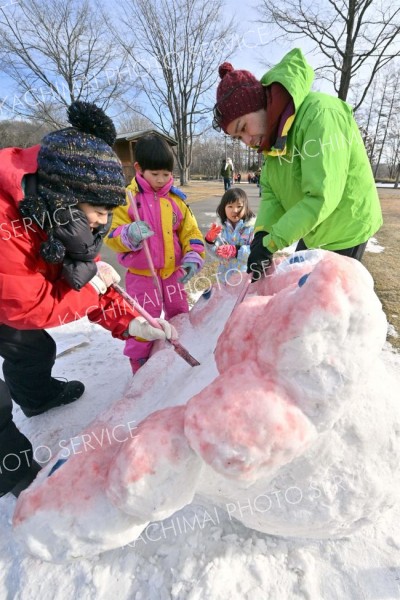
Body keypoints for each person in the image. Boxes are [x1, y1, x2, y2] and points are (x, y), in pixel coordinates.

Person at [0, 101, 176, 498]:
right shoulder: (7, 222)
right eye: (98, 211)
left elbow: (86, 278)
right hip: (9, 298)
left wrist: (129, 321)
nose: (101, 222)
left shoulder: (63, 219)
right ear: (65, 196)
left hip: (9, 301)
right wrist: (88, 288)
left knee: (32, 346)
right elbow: (26, 306)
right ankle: (12, 475)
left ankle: (38, 397)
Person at [212, 48, 383, 278]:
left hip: (346, 228)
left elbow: (321, 195)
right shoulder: (272, 144)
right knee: (297, 293)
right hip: (315, 232)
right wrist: (262, 236)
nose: (246, 141)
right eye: (237, 138)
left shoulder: (320, 115)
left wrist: (272, 243)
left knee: (325, 307)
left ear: (258, 103)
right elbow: (273, 196)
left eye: (243, 128)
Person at [104, 134, 205, 374]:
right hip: (142, 276)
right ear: (139, 169)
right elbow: (112, 236)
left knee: (179, 313)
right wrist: (129, 233)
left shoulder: (177, 201)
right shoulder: (128, 200)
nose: (161, 180)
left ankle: (179, 350)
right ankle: (139, 361)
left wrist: (193, 255)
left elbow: (191, 232)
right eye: (155, 174)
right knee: (144, 320)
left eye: (166, 174)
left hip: (172, 275)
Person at [204, 187, 255, 284]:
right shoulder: (220, 229)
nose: (234, 210)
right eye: (230, 206)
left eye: (239, 206)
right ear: (224, 208)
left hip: (245, 279)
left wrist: (236, 250)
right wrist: (210, 241)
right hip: (224, 279)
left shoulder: (251, 228)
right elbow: (217, 254)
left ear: (246, 207)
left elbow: (255, 252)